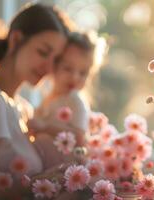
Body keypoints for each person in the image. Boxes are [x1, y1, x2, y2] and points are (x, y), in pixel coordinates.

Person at [0, 3, 68, 198]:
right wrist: (32, 186)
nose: (49, 68)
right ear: (16, 40)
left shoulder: (24, 109)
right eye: (43, 52)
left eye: (56, 59)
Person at [29, 32, 95, 168]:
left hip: (69, 170)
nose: (75, 77)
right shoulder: (48, 100)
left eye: (83, 73)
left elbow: (79, 136)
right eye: (67, 69)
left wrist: (45, 127)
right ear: (54, 67)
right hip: (49, 170)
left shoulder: (75, 100)